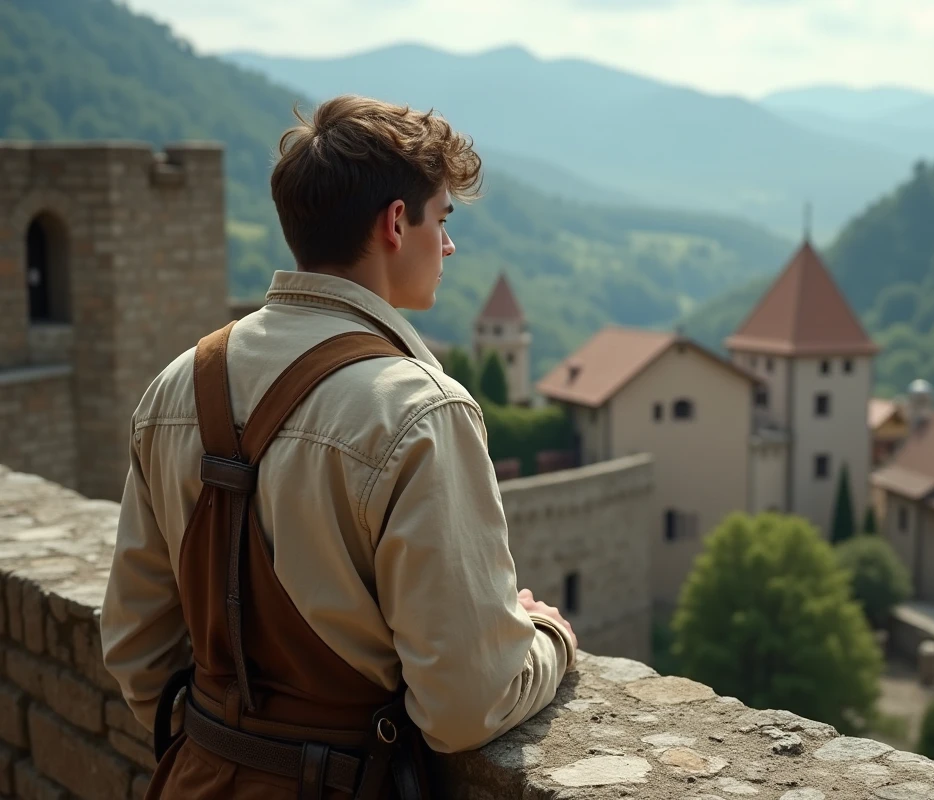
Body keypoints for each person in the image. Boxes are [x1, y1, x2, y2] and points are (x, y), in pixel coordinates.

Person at [99, 95, 577, 799]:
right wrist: (548, 639)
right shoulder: (421, 410)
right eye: (441, 220)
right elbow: (463, 705)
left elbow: (138, 651)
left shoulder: (177, 385)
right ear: (394, 223)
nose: (446, 246)